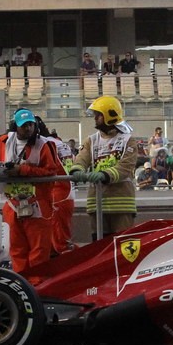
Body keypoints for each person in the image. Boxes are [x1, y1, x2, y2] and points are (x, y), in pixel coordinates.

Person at [0, 107, 63, 274]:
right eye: (24, 125)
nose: (28, 128)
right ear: (15, 126)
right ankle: (22, 281)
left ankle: (38, 285)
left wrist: (22, 170)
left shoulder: (46, 145)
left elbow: (51, 172)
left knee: (39, 249)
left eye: (30, 124)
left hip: (38, 205)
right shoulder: (3, 142)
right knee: (17, 248)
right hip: (12, 203)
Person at [68, 95, 138, 239]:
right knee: (99, 250)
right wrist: (77, 169)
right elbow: (82, 158)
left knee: (122, 247)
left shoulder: (128, 140)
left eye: (98, 115)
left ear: (109, 116)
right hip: (97, 202)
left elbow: (126, 166)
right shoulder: (91, 140)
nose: (95, 118)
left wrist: (104, 175)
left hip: (122, 203)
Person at [34, 116, 75, 254]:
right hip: (66, 192)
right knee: (56, 241)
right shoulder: (58, 142)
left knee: (60, 243)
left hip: (57, 192)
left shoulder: (45, 143)